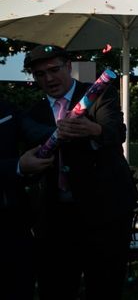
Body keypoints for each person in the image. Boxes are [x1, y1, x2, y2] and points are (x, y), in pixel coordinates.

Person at [21, 45, 136, 300]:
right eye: (40, 74)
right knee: (57, 288)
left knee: (104, 287)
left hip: (105, 213)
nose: (49, 79)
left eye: (54, 70)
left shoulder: (98, 94)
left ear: (68, 66)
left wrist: (93, 130)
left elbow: (116, 131)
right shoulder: (32, 114)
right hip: (56, 220)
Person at [1, 98, 55, 300]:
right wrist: (17, 167)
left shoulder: (6, 107)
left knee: (21, 287)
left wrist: (65, 129)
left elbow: (35, 131)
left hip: (16, 223)